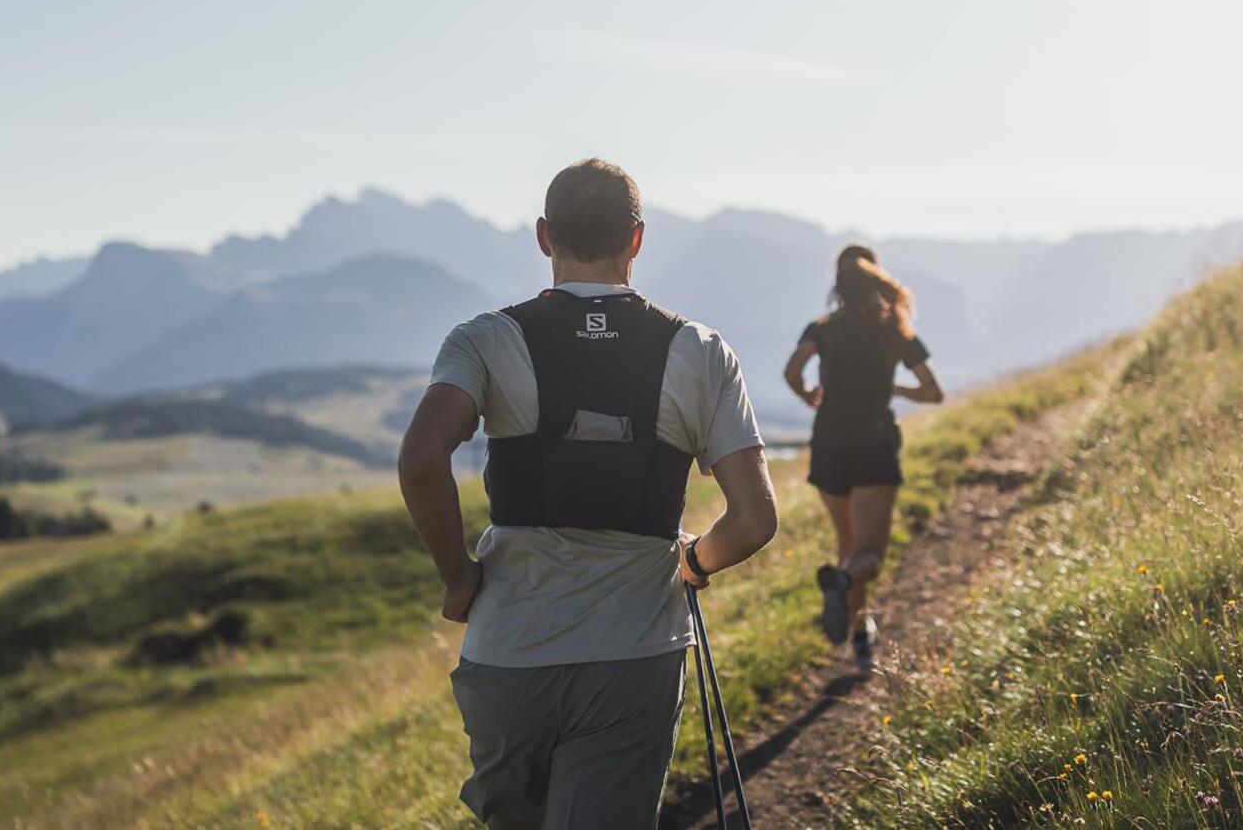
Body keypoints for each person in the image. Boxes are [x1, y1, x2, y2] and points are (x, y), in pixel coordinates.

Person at [399, 157, 778, 830]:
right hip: (634, 658)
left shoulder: (486, 340)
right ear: (637, 239)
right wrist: (695, 563)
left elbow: (423, 458)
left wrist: (457, 578)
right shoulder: (700, 351)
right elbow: (753, 520)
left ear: (545, 237)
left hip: (509, 653)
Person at [783, 244, 944, 671]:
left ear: (837, 284)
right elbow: (933, 391)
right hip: (873, 444)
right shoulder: (894, 332)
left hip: (830, 442)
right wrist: (894, 389)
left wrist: (807, 396)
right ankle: (848, 600)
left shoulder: (821, 328)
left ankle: (859, 635)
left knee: (848, 546)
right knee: (868, 555)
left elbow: (791, 372)